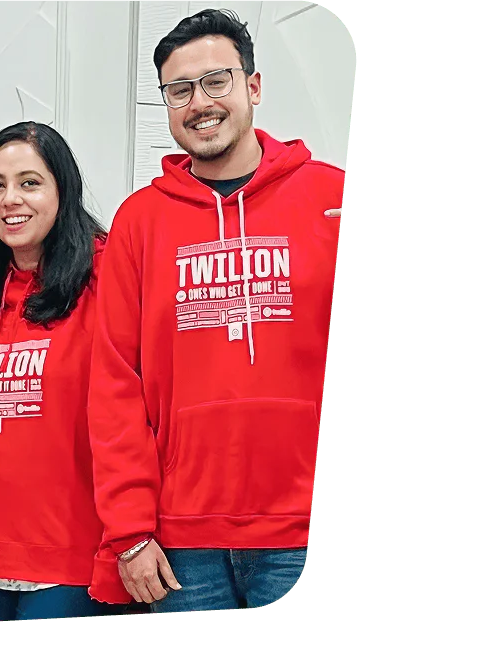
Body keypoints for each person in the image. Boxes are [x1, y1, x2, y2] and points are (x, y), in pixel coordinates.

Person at [87, 9, 345, 614]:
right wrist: (129, 530)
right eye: (179, 90)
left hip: (308, 527)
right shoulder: (139, 222)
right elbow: (116, 384)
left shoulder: (333, 198)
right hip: (182, 539)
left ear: (252, 86)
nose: (199, 102)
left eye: (215, 81)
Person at [0, 121, 129, 622]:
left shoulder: (106, 274)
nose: (11, 199)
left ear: (62, 191)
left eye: (30, 183)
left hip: (70, 554)